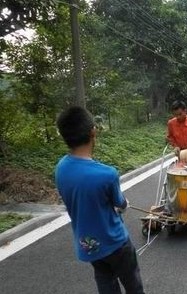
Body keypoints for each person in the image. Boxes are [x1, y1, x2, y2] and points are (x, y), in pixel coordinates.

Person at [55, 106, 145, 294]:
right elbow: (120, 204)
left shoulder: (61, 168)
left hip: (89, 244)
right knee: (132, 284)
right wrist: (124, 204)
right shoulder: (107, 174)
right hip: (116, 243)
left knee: (105, 283)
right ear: (93, 132)